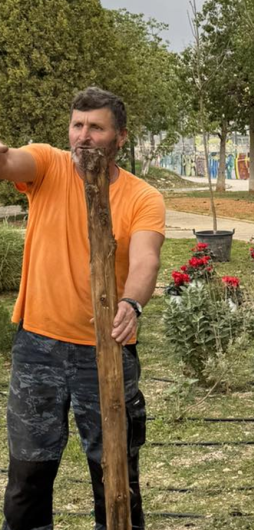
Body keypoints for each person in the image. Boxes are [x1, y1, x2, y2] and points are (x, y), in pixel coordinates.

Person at [0, 87, 165, 530]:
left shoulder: (142, 196)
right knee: (28, 476)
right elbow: (10, 162)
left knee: (115, 475)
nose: (83, 136)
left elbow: (147, 257)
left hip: (107, 350)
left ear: (120, 138)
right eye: (77, 125)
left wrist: (132, 302)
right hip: (38, 345)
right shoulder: (49, 164)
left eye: (96, 127)